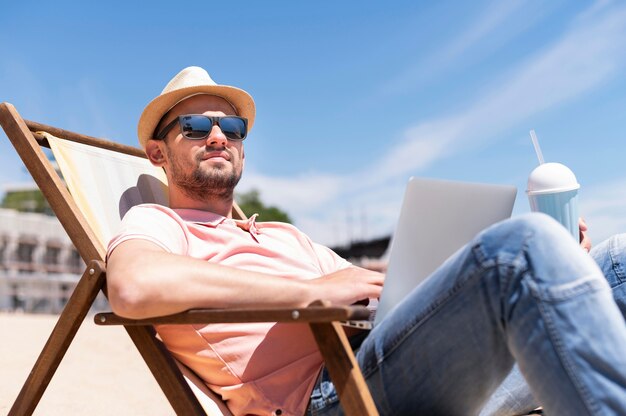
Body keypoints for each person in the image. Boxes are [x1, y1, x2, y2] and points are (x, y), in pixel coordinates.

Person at [106, 66, 626, 416]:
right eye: (196, 127)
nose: (219, 136)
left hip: (390, 359)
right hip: (336, 395)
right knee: (523, 247)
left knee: (615, 255)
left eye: (232, 127)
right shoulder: (159, 223)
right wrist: (307, 294)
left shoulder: (283, 235)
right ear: (157, 153)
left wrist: (557, 272)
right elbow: (132, 286)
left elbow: (383, 289)